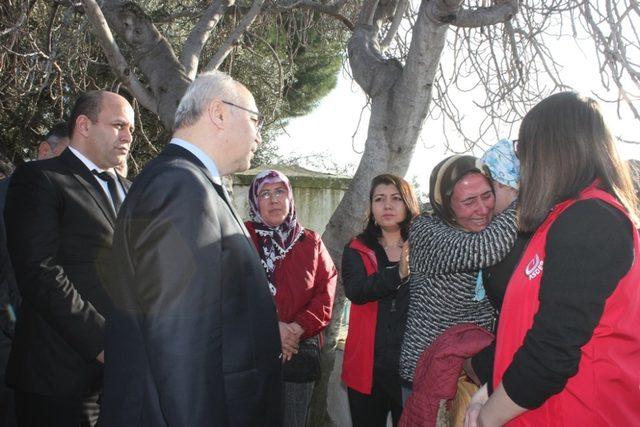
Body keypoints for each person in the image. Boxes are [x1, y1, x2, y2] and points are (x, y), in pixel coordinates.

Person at [101, 71, 282, 426]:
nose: (259, 135)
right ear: (218, 112)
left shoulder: (187, 181)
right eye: (255, 120)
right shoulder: (181, 186)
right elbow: (180, 343)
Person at [465, 92, 640, 427]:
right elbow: (532, 329)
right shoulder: (562, 218)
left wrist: (486, 418)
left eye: (523, 146)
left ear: (551, 149)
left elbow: (553, 351)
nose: (521, 159)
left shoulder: (591, 219)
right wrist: (490, 389)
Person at [4, 90, 133, 426]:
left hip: (123, 380)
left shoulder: (130, 190)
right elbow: (39, 271)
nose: (128, 136)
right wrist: (103, 342)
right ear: (84, 125)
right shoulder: (40, 179)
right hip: (59, 380)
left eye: (131, 128)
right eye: (118, 125)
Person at [399, 155, 517, 394]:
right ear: (445, 202)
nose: (482, 209)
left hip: (472, 371)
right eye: (469, 201)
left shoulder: (493, 228)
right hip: (428, 373)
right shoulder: (427, 231)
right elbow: (483, 249)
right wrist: (530, 199)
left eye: (487, 195)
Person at [245, 169, 337, 426]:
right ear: (255, 200)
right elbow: (233, 291)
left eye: (280, 192)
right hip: (253, 350)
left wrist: (296, 329)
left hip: (298, 350)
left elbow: (326, 290)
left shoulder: (310, 241)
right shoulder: (241, 238)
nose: (274, 199)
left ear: (290, 197)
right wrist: (273, 329)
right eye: (265, 193)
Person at [341, 174, 420, 427]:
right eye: (379, 199)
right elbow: (357, 290)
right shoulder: (356, 248)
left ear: (408, 204)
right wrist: (397, 274)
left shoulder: (424, 246)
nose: (387, 206)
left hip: (410, 370)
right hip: (367, 368)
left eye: (396, 198)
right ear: (371, 207)